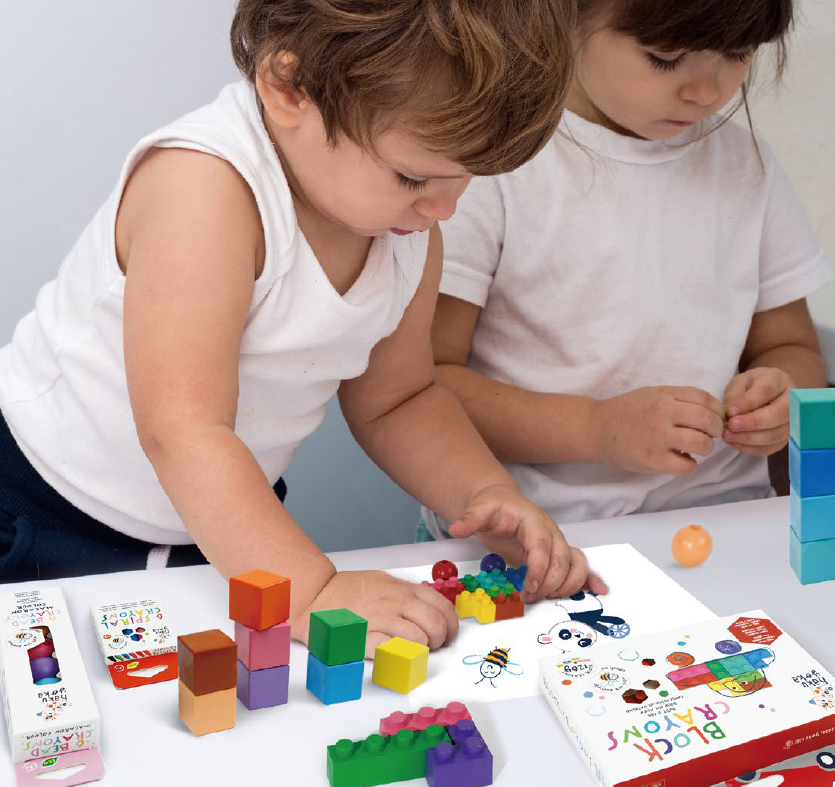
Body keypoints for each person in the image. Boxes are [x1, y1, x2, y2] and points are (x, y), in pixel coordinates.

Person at [0, 0, 606, 655]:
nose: (444, 208)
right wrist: (312, 592)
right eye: (413, 175)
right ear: (289, 87)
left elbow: (399, 399)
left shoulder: (406, 225)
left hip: (212, 524)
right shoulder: (204, 190)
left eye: (467, 179)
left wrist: (485, 493)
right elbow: (183, 429)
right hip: (43, 510)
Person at [421, 0, 831, 540]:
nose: (705, 91)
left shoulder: (748, 166)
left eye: (737, 54)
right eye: (665, 57)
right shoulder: (492, 163)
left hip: (725, 521)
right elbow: (425, 385)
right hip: (533, 532)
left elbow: (792, 347)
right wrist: (595, 429)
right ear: (566, 15)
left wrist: (783, 397)